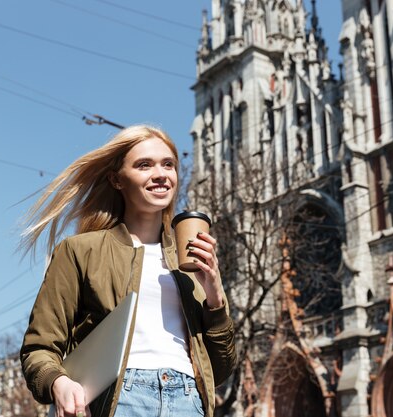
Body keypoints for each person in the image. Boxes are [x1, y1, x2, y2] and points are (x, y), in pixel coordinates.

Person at [19, 125, 237, 417]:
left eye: (168, 164)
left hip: (188, 401)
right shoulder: (80, 250)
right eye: (144, 165)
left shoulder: (190, 260)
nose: (161, 174)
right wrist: (59, 382)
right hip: (121, 400)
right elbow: (39, 348)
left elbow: (219, 369)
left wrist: (215, 297)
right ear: (117, 180)